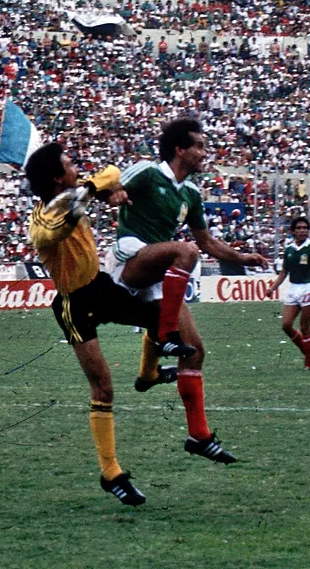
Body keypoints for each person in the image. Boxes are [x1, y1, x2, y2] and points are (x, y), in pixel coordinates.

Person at [104, 117, 270, 464]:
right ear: (180, 149)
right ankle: (163, 336)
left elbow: (206, 241)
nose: (204, 152)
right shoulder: (149, 172)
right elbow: (112, 186)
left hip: (158, 271)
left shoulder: (191, 194)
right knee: (185, 251)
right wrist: (114, 193)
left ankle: (199, 436)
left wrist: (241, 257)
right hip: (129, 260)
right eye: (199, 146)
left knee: (194, 351)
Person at [25, 143, 176, 506]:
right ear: (57, 177)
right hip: (73, 304)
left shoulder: (76, 191)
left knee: (159, 317)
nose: (76, 166)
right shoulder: (42, 220)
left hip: (98, 286)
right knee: (103, 388)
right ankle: (111, 472)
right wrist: (91, 196)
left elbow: (110, 173)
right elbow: (50, 234)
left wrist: (101, 188)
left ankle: (149, 374)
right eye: (68, 164)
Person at [266, 216, 310, 370]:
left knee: (304, 327)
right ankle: (308, 351)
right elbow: (284, 272)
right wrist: (273, 288)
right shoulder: (289, 249)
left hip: (308, 288)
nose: (302, 231)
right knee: (286, 325)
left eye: (305, 228)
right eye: (299, 228)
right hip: (293, 288)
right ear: (293, 231)